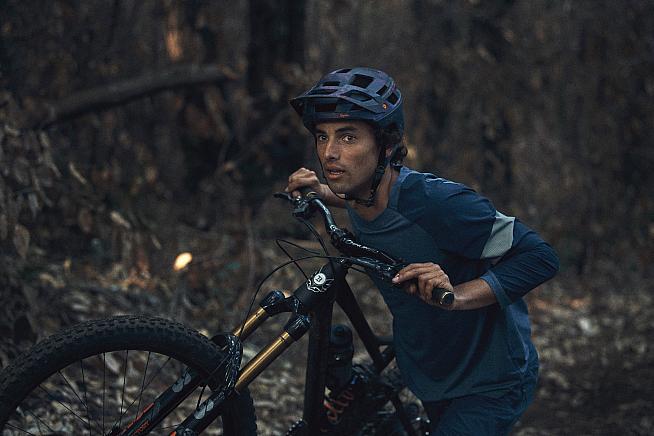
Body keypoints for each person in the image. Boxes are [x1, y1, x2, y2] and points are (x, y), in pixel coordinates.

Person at [285, 67, 559, 435]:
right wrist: (320, 191)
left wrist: (457, 295)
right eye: (323, 136)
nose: (330, 153)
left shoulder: (438, 204)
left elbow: (539, 257)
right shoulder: (362, 191)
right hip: (430, 373)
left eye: (348, 137)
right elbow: (365, 204)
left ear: (385, 145)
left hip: (490, 381)